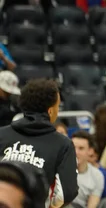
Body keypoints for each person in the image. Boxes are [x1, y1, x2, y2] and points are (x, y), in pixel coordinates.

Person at [0, 79, 77, 208]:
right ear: (51, 111)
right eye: (58, 106)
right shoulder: (63, 144)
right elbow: (65, 193)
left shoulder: (1, 134)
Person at [70, 131, 104, 208]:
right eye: (73, 147)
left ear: (90, 151)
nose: (76, 152)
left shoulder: (97, 176)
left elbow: (92, 205)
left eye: (81, 148)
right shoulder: (58, 170)